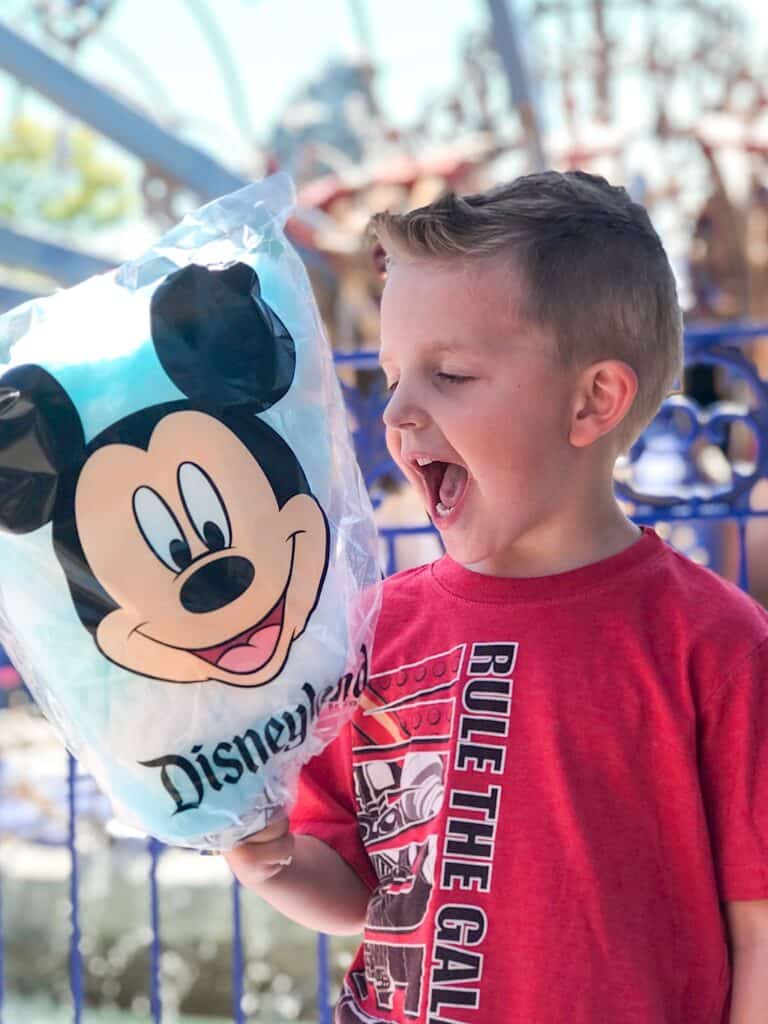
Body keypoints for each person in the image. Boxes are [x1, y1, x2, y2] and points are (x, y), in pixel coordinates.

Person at [224, 170, 768, 1023]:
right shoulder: (372, 635)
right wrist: (272, 861)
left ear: (594, 400)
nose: (398, 411)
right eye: (396, 374)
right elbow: (359, 885)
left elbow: (760, 935)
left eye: (450, 374)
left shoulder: (720, 647)